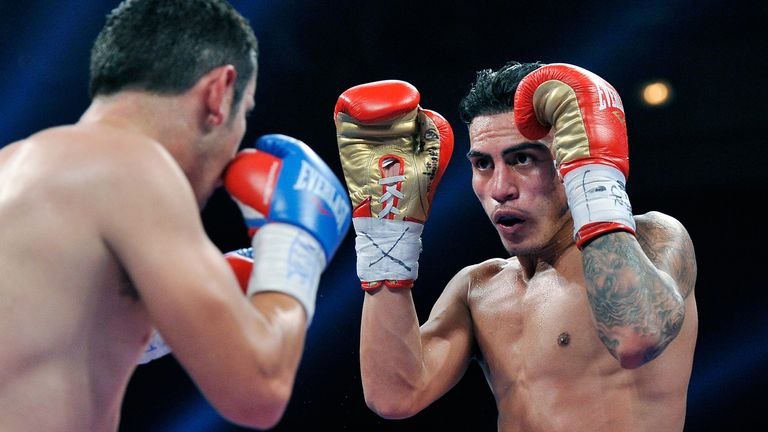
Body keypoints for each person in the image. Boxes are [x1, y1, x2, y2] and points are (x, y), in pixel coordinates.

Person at [0, 1, 350, 431]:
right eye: (246, 112)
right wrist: (294, 250)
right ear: (218, 93)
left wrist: (155, 323)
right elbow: (260, 390)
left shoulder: (15, 166)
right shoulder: (135, 166)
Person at [334, 62, 698, 431]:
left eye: (522, 159)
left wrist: (594, 187)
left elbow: (636, 336)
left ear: (570, 157)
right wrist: (386, 237)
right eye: (482, 164)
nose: (500, 188)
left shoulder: (654, 239)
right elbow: (394, 395)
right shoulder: (479, 288)